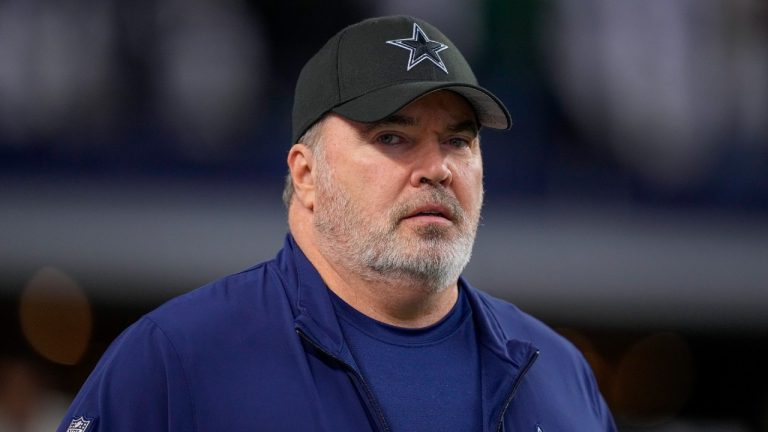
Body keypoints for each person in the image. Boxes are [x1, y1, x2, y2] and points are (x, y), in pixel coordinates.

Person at [58, 16, 616, 432]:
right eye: (392, 137)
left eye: (459, 140)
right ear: (306, 175)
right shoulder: (176, 358)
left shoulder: (557, 371)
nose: (438, 169)